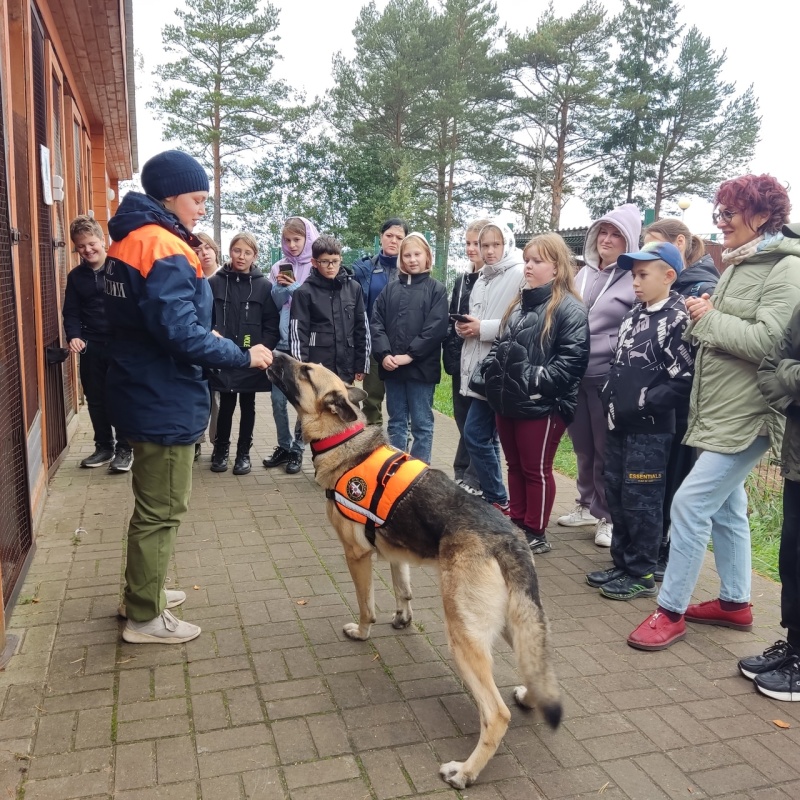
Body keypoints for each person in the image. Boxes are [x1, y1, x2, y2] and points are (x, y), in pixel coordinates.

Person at [104, 149, 273, 644]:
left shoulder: (133, 239)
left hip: (138, 385)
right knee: (163, 510)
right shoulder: (164, 247)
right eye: (198, 199)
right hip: (163, 395)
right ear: (170, 195)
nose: (202, 209)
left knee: (149, 507)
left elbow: (161, 322)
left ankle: (144, 591)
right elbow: (179, 334)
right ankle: (144, 618)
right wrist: (243, 355)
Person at [628, 174, 800, 651]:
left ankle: (670, 610)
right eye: (717, 213)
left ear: (762, 216)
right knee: (728, 507)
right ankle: (734, 603)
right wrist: (709, 311)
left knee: (689, 504)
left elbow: (770, 344)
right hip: (723, 410)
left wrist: (707, 317)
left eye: (729, 213)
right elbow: (733, 328)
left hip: (751, 412)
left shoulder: (785, 269)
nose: (720, 223)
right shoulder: (742, 264)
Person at [587, 242, 693, 600]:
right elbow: (619, 363)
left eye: (643, 275)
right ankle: (622, 562)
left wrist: (645, 403)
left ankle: (642, 571)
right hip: (620, 423)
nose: (635, 282)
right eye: (633, 275)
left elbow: (683, 379)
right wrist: (609, 396)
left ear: (669, 276)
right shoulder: (634, 314)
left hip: (651, 430)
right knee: (616, 492)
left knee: (642, 499)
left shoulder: (679, 318)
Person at [480, 233, 589, 553]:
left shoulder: (570, 309)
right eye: (527, 259)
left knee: (535, 469)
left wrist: (532, 383)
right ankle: (517, 522)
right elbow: (501, 343)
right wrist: (490, 371)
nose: (528, 266)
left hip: (542, 406)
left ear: (556, 268)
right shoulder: (519, 303)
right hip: (507, 401)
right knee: (514, 466)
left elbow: (572, 363)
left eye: (537, 261)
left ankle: (535, 531)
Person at [558, 204, 641, 547]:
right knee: (583, 447)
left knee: (606, 448)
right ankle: (585, 505)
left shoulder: (632, 280)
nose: (607, 240)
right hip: (575, 373)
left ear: (629, 242)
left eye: (616, 235)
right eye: (603, 233)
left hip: (607, 377)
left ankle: (606, 516)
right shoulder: (583, 274)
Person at [643, 219, 720, 579]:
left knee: (678, 478)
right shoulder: (659, 283)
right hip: (663, 400)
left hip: (687, 403)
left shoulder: (704, 286)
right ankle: (652, 544)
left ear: (679, 243)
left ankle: (667, 549)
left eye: (653, 247)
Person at [746, 277, 800, 701]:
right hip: (797, 457)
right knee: (792, 556)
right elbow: (771, 366)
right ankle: (795, 646)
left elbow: (785, 368)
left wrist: (789, 374)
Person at [459, 221, 525, 512]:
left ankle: (497, 497)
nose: (488, 251)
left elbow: (523, 323)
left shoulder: (519, 273)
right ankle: (495, 496)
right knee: (483, 435)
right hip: (481, 367)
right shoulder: (482, 277)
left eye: (495, 245)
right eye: (484, 245)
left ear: (507, 244)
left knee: (476, 434)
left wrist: (482, 328)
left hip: (502, 368)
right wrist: (467, 329)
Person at [370, 232, 448, 463]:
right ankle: (396, 470)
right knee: (396, 422)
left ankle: (419, 473)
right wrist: (384, 354)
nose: (413, 259)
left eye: (417, 254)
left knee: (422, 424)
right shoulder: (390, 290)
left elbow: (435, 329)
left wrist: (410, 355)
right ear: (401, 259)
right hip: (393, 369)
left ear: (427, 257)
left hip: (421, 370)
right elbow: (376, 323)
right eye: (407, 255)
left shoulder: (437, 290)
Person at [63, 215, 132, 472]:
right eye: (81, 246)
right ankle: (104, 446)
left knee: (122, 396)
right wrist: (74, 335)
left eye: (91, 243)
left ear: (103, 241)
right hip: (91, 344)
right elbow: (71, 311)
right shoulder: (76, 277)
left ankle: (125, 448)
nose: (87, 250)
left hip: (121, 344)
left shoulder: (121, 270)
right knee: (96, 398)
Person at [208, 232, 280, 475]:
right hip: (223, 356)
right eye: (237, 250)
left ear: (254, 256)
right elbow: (205, 318)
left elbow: (271, 324)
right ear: (230, 251)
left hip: (253, 358)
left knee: (248, 405)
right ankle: (220, 451)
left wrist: (264, 349)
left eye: (247, 252)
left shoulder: (264, 286)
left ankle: (243, 453)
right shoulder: (215, 282)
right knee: (226, 405)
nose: (241, 256)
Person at [263, 216, 320, 475]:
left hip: (304, 344)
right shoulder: (279, 266)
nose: (292, 244)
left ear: (308, 239)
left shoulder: (316, 267)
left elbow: (315, 304)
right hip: (281, 343)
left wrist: (296, 287)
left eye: (297, 239)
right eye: (287, 240)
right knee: (277, 400)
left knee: (301, 401)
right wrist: (279, 289)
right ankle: (283, 446)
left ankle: (298, 449)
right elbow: (274, 306)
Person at [442, 219, 490, 496]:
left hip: (483, 360)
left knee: (477, 423)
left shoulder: (495, 279)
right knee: (461, 417)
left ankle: (475, 476)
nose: (472, 249)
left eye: (478, 244)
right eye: (468, 243)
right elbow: (453, 319)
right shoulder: (461, 280)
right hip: (460, 357)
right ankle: (461, 471)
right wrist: (450, 353)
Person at [351, 218, 410, 424]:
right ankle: (373, 447)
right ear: (381, 237)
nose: (394, 241)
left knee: (402, 407)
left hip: (402, 346)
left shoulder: (411, 271)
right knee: (372, 400)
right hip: (374, 344)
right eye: (389, 236)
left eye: (399, 237)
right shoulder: (364, 269)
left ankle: (402, 449)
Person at [290, 234, 369, 383]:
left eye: (335, 261)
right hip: (317, 369)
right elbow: (297, 334)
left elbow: (362, 328)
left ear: (341, 259)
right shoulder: (303, 292)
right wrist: (302, 369)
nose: (330, 266)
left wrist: (361, 365)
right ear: (314, 262)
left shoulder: (354, 288)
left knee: (348, 406)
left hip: (346, 367)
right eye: (325, 262)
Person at [193, 231, 221, 461]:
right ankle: (196, 440)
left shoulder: (225, 277)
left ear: (215, 250)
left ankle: (218, 443)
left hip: (220, 344)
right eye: (197, 250)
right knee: (198, 394)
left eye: (207, 248)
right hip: (197, 344)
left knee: (218, 398)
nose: (203, 254)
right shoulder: (191, 277)